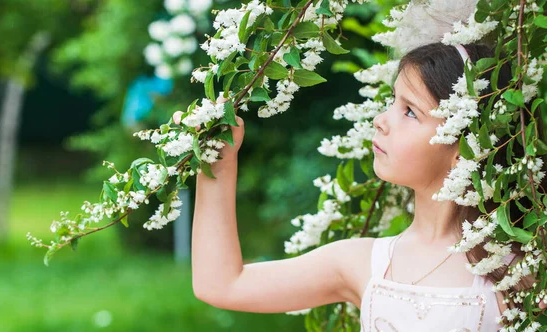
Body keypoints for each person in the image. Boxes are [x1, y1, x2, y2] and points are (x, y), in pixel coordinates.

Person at [173, 42, 547, 331]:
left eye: (410, 111)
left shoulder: (520, 272)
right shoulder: (362, 263)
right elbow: (221, 284)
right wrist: (219, 168)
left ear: (465, 146)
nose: (381, 120)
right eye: (391, 102)